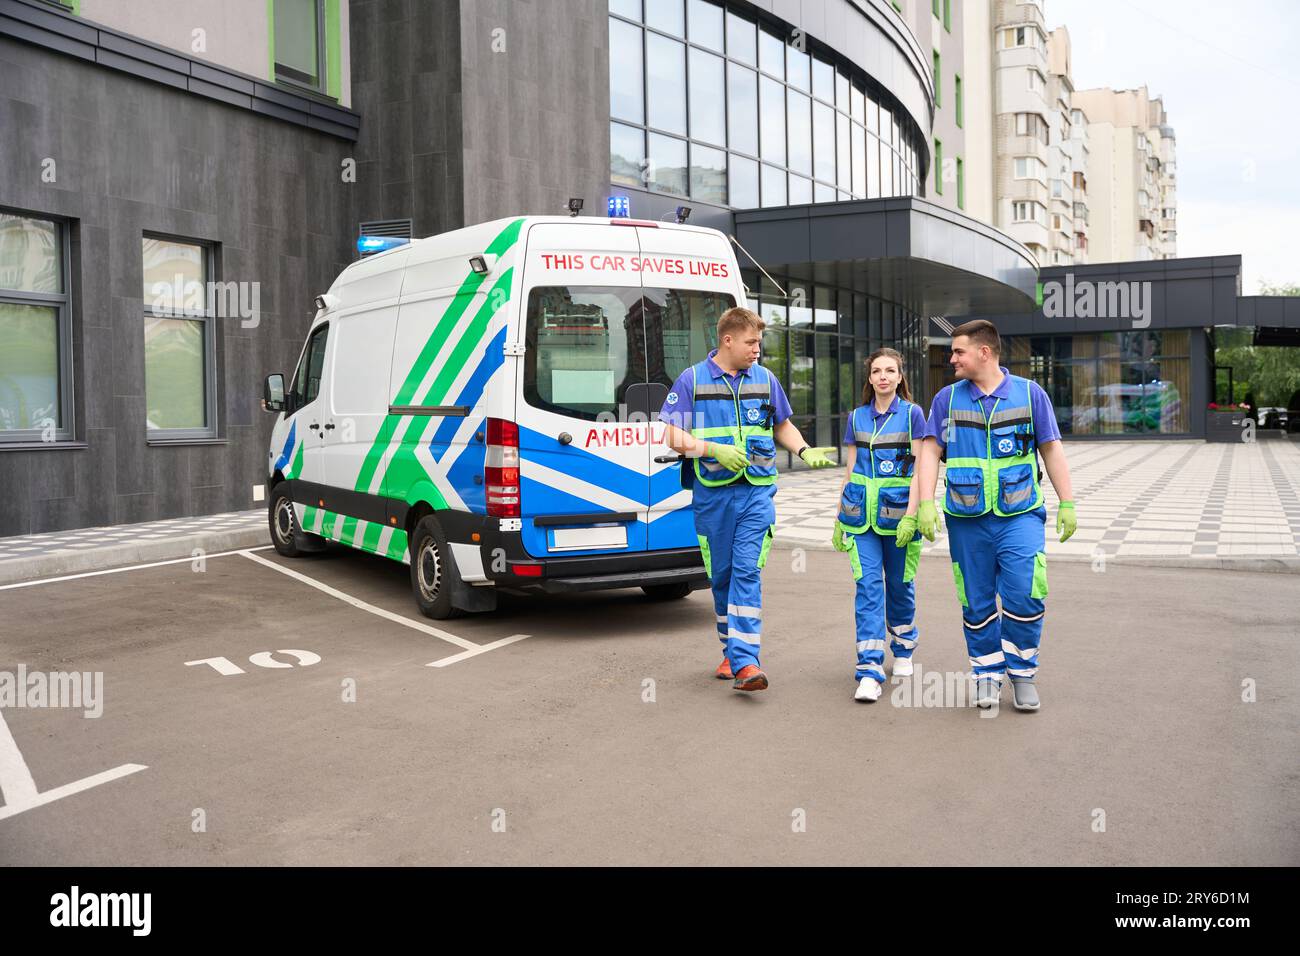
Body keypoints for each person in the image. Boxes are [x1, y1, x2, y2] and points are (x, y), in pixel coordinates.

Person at [660, 306, 835, 692]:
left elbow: (781, 424)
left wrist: (804, 450)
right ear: (728, 340)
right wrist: (711, 450)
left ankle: (746, 662)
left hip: (757, 493)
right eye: (751, 342)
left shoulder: (766, 379)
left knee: (746, 571)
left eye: (759, 342)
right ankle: (731, 650)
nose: (757, 349)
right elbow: (672, 435)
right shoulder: (692, 380)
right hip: (713, 496)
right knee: (721, 575)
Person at [914, 320, 1077, 712]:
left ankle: (1022, 674)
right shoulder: (947, 400)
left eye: (958, 351)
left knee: (1025, 593)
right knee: (976, 600)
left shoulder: (1029, 394)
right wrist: (924, 502)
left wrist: (1067, 502)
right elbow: (930, 452)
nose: (951, 358)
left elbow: (1051, 449)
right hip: (967, 519)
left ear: (983, 353)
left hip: (1019, 514)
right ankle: (986, 675)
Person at [831, 348, 928, 702]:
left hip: (899, 517)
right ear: (869, 379)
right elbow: (851, 469)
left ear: (900, 377)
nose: (883, 376)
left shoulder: (914, 415)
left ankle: (903, 648)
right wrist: (840, 516)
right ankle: (869, 670)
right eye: (876, 371)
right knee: (868, 588)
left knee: (900, 586)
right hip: (861, 520)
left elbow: (920, 469)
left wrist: (914, 514)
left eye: (890, 371)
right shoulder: (856, 417)